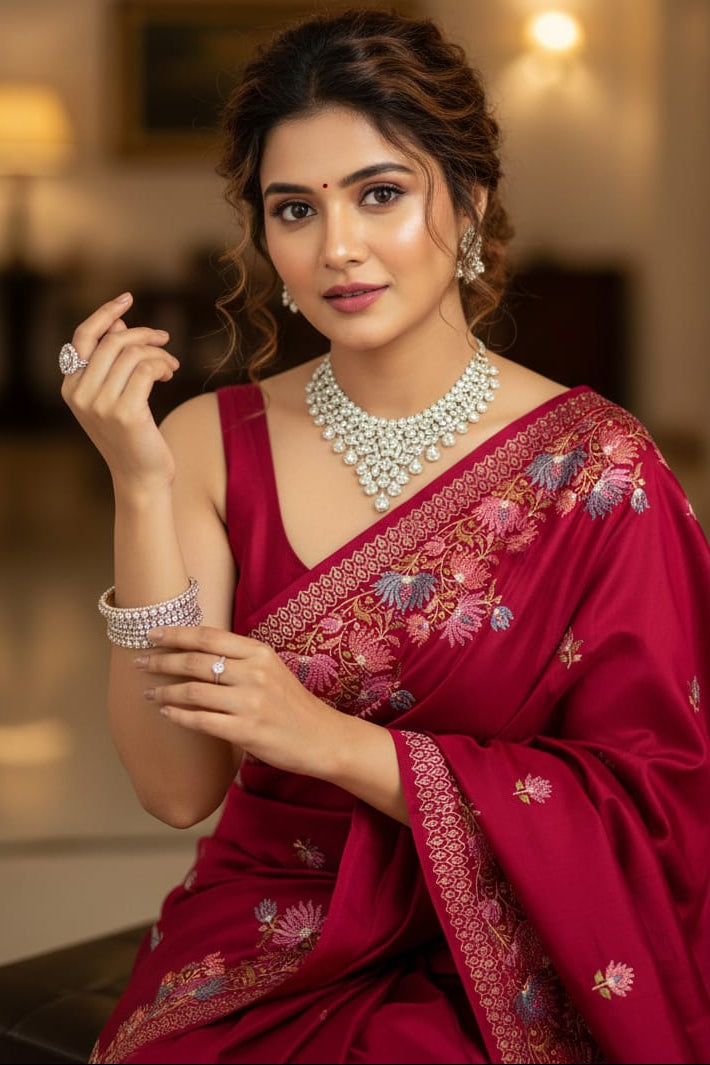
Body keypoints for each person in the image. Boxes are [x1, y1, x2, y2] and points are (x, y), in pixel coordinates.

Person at [59, 8, 710, 1064]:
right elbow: (175, 789)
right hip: (269, 934)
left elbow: (655, 804)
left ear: (468, 201)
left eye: (379, 194)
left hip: (514, 940)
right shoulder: (210, 445)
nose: (337, 248)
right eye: (293, 209)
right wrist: (140, 484)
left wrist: (338, 746)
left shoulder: (598, 470)